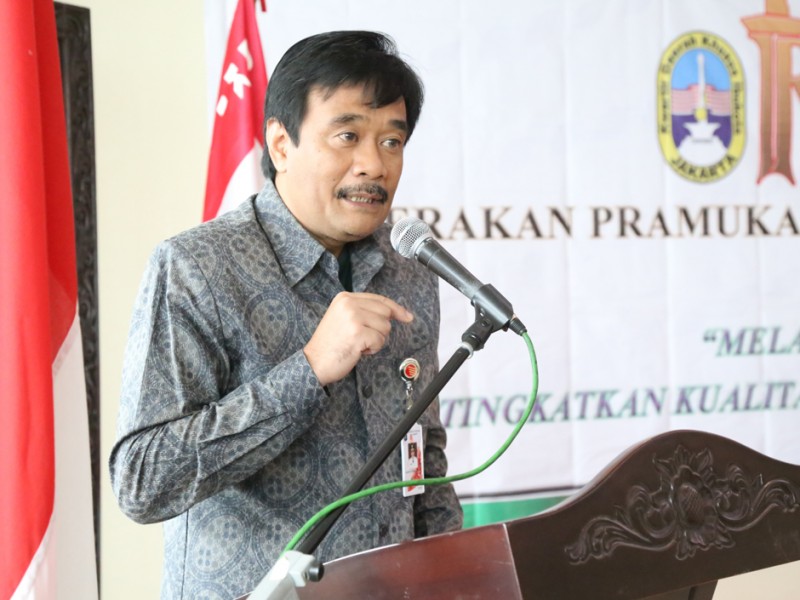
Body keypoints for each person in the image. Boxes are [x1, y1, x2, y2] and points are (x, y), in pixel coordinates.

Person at [110, 30, 463, 599]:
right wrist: (310, 369)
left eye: (392, 141)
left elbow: (423, 456)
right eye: (347, 136)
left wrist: (456, 578)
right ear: (280, 144)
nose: (374, 165)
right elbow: (143, 481)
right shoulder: (198, 267)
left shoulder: (410, 272)